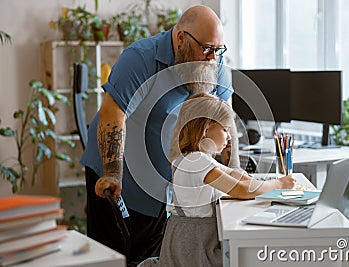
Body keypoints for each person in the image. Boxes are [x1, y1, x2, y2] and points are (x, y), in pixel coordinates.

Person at [80, 5, 240, 265]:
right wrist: (112, 173)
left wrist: (234, 175)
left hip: (163, 185)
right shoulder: (141, 58)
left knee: (152, 257)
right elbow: (113, 114)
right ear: (181, 38)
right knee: (111, 258)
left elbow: (226, 123)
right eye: (207, 49)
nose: (213, 58)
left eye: (218, 50)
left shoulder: (215, 64)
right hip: (117, 172)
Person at [138, 93, 296, 266]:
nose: (229, 137)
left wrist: (261, 181)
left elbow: (234, 174)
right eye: (225, 129)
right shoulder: (197, 161)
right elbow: (242, 190)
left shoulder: (193, 158)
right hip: (193, 246)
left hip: (193, 240)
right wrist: (278, 184)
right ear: (206, 129)